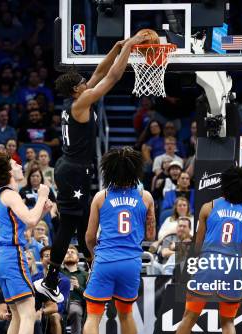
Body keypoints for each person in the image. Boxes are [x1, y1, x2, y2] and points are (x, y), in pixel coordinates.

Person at [35, 33, 147, 302]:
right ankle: (51, 280)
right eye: (83, 83)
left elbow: (99, 71)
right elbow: (112, 78)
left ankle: (95, 268)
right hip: (74, 170)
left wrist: (116, 48)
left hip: (73, 168)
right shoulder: (81, 102)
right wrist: (130, 49)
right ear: (77, 90)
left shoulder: (76, 99)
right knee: (70, 224)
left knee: (83, 220)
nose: (87, 83)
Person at [156, 166, 242, 334]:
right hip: (232, 267)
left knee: (189, 318)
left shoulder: (208, 207)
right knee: (228, 321)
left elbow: (198, 245)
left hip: (207, 265)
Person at [78, 147, 155, 334]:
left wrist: (93, 257)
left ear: (108, 170)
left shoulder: (101, 197)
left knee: (93, 315)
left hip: (105, 259)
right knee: (126, 314)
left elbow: (89, 236)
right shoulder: (146, 197)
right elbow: (151, 234)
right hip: (131, 261)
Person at [0, 152, 52, 334]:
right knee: (28, 314)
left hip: (0, 256)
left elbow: (24, 225)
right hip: (12, 255)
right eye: (15, 163)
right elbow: (32, 223)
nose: (19, 164)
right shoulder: (11, 194)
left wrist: (42, 210)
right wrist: (42, 195)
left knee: (16, 314)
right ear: (7, 171)